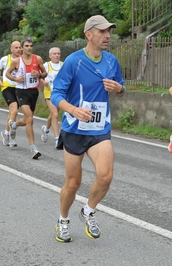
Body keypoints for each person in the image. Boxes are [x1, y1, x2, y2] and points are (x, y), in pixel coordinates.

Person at [50, 15, 125, 242]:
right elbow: (56, 95)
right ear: (89, 34)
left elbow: (122, 87)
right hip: (74, 128)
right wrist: (72, 110)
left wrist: (119, 88)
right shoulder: (74, 61)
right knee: (73, 183)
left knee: (105, 176)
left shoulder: (111, 61)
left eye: (108, 31)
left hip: (99, 128)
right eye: (102, 31)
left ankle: (89, 211)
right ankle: (63, 220)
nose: (108, 35)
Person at [5, 38, 47, 159]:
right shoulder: (16, 61)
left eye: (31, 46)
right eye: (27, 46)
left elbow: (45, 73)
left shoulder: (37, 59)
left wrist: (39, 75)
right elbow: (7, 73)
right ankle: (33, 148)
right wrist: (16, 79)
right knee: (29, 118)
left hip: (33, 92)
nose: (29, 48)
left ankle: (14, 125)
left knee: (28, 119)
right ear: (22, 48)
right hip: (21, 91)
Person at [0, 41, 22, 147]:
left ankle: (5, 132)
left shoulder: (23, 60)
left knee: (12, 112)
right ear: (11, 49)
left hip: (19, 88)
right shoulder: (5, 59)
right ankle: (12, 137)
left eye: (20, 47)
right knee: (14, 110)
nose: (18, 49)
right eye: (16, 47)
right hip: (7, 87)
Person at [40, 47, 63, 148]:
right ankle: (57, 139)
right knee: (55, 114)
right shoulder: (46, 65)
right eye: (54, 54)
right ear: (50, 56)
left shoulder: (63, 65)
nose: (57, 55)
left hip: (60, 93)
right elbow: (39, 76)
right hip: (49, 94)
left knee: (53, 114)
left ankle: (45, 129)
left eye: (58, 53)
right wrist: (43, 82)